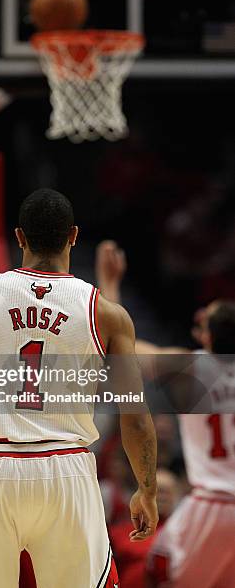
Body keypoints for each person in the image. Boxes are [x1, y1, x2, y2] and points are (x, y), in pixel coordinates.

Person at [0, 188, 158, 588]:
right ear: (74, 236)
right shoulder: (107, 313)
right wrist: (146, 490)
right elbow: (134, 415)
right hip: (67, 467)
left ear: (19, 237)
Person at [97, 240, 235, 587]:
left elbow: (121, 352)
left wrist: (110, 283)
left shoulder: (192, 368)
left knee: (159, 575)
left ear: (206, 333)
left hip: (210, 503)